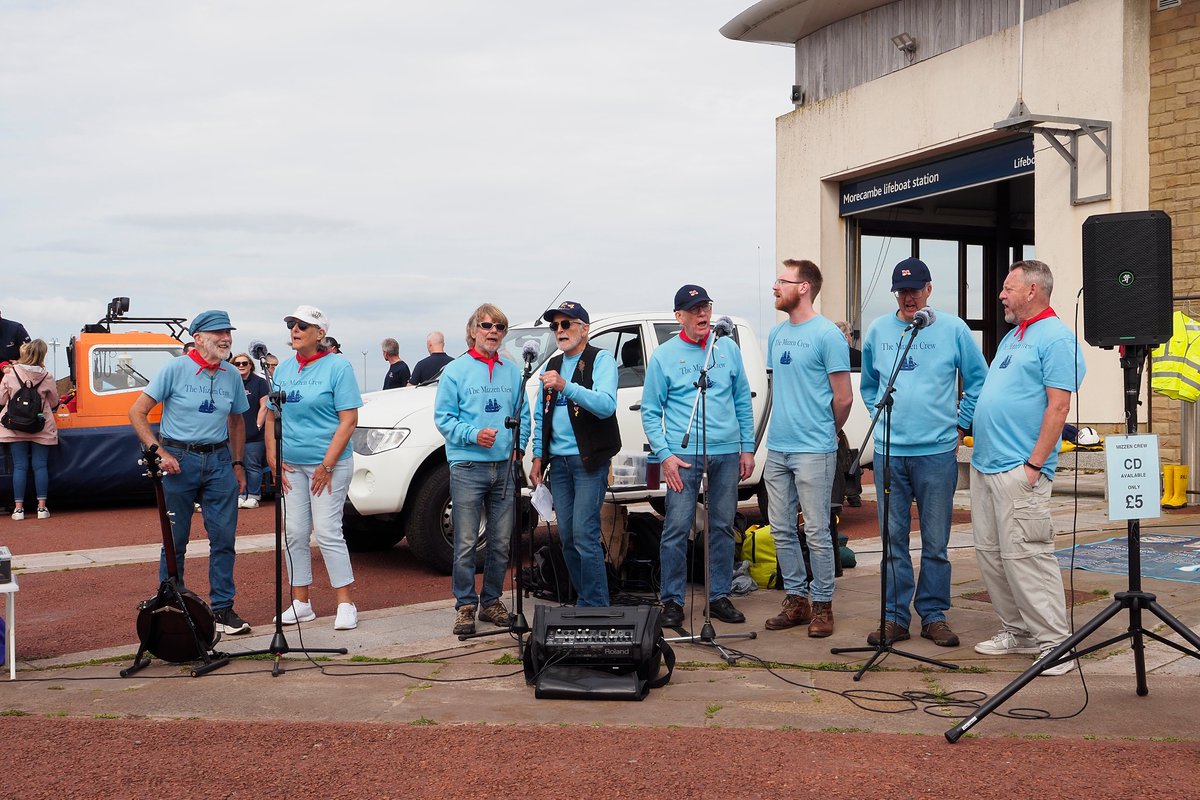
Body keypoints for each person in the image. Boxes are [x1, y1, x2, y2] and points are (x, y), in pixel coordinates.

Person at [859, 257, 988, 648]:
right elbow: (869, 386)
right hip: (888, 455)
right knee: (892, 541)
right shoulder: (880, 330)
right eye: (902, 290)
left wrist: (960, 423)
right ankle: (894, 618)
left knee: (936, 541)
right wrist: (879, 419)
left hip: (936, 453)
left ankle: (933, 615)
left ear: (929, 289)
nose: (908, 296)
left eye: (915, 288)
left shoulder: (953, 329)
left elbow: (979, 379)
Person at [971, 259, 1086, 676]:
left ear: (1033, 290)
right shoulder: (1012, 337)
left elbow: (1059, 406)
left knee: (1028, 558)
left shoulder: (1056, 339)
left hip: (1021, 470)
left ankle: (1056, 645)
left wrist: (1035, 465)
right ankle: (1017, 632)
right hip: (986, 466)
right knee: (991, 555)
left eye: (1008, 287)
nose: (1001, 294)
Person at [129, 310, 252, 636]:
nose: (225, 338)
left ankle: (223, 610)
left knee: (224, 538)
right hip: (178, 460)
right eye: (218, 333)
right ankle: (172, 609)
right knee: (175, 540)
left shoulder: (232, 375)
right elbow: (137, 412)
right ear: (198, 338)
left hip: (219, 461)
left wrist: (238, 463)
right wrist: (159, 452)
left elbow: (237, 421)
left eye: (228, 332)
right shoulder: (174, 368)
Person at [642, 285, 754, 627]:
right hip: (683, 456)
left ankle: (719, 596)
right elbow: (650, 411)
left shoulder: (728, 349)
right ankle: (672, 601)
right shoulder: (664, 356)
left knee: (722, 526)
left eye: (705, 306)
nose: (702, 314)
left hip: (726, 453)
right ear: (679, 317)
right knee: (676, 527)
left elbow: (742, 401)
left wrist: (746, 448)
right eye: (694, 309)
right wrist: (665, 456)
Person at [761, 260, 852, 637]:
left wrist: (824, 432)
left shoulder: (827, 334)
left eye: (782, 280)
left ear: (804, 288)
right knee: (781, 529)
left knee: (816, 531)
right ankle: (796, 599)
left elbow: (843, 398)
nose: (775, 286)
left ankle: (823, 605)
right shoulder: (776, 335)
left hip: (814, 449)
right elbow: (775, 390)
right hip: (778, 448)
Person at [434, 304, 529, 635]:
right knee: (465, 543)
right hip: (467, 467)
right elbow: (443, 418)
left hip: (504, 468)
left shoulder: (513, 371)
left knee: (501, 542)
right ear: (473, 330)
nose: (493, 331)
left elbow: (524, 414)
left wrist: (519, 447)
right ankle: (464, 606)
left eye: (500, 327)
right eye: (486, 325)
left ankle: (491, 602)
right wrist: (473, 434)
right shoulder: (455, 371)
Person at [266, 305, 363, 630]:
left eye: (302, 326)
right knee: (293, 531)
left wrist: (326, 464)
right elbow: (271, 415)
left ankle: (346, 602)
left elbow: (349, 420)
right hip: (291, 465)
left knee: (326, 531)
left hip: (329, 464)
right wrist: (273, 458)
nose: (294, 329)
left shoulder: (339, 367)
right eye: (292, 324)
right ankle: (301, 602)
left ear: (320, 333)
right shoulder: (283, 370)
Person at [530, 301, 620, 607]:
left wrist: (567, 387)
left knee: (584, 534)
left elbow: (606, 405)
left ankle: (597, 606)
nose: (559, 331)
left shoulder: (601, 360)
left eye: (566, 324)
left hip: (589, 461)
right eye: (555, 326)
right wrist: (538, 457)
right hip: (559, 464)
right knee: (567, 537)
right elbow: (541, 415)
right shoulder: (551, 365)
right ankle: (586, 598)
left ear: (585, 328)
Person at [0, 339, 59, 520]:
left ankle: (18, 509)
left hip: (14, 427)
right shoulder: (46, 376)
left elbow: (2, 400)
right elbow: (55, 401)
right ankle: (42, 508)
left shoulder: (10, 374)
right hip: (41, 426)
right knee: (40, 466)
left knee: (19, 466)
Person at [232, 352, 270, 509]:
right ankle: (240, 494)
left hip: (254, 435)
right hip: (233, 435)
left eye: (244, 363)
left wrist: (257, 426)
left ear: (250, 365)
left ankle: (254, 495)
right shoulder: (231, 382)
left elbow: (264, 406)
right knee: (236, 464)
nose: (241, 366)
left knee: (253, 465)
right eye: (237, 364)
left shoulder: (260, 383)